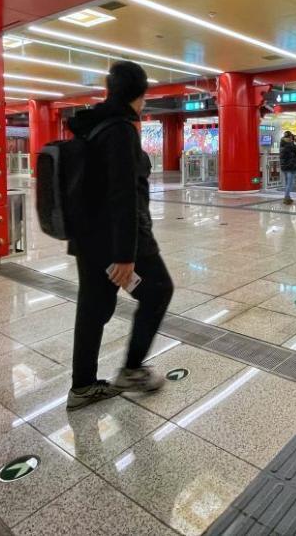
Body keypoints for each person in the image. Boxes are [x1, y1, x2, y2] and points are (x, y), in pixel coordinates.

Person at [65, 60, 174, 410]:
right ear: (140, 94)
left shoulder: (93, 126)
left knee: (93, 306)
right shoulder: (121, 130)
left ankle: (82, 386)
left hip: (89, 237)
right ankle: (131, 370)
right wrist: (126, 256)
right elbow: (123, 196)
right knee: (157, 290)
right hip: (119, 241)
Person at [280, 130, 296, 205]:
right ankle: (286, 198)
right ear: (289, 137)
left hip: (284, 167)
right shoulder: (289, 145)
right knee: (290, 183)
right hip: (291, 167)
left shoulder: (282, 144)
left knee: (287, 183)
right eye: (291, 137)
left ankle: (288, 197)